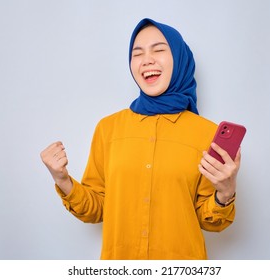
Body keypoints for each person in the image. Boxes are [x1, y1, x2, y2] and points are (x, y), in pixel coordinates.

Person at [40, 18, 241, 260]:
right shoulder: (108, 128)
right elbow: (97, 209)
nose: (147, 59)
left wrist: (225, 193)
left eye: (158, 50)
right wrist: (62, 180)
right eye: (138, 53)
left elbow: (210, 222)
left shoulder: (207, 134)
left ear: (179, 59)